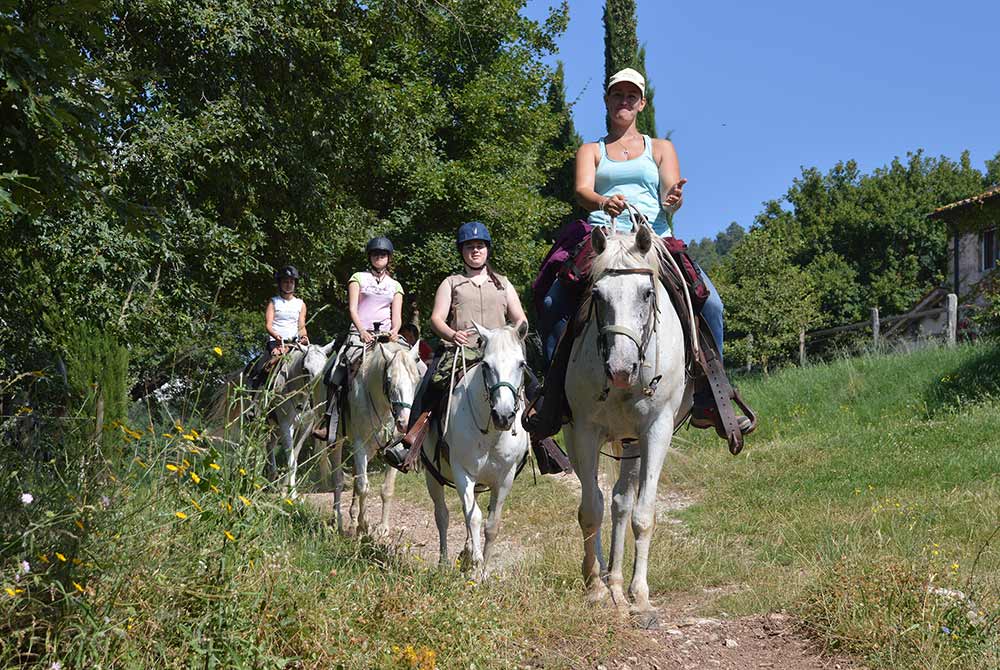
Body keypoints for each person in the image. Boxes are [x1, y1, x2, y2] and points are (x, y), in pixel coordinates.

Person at [529, 67, 750, 437]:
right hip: (604, 240)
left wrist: (673, 200)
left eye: (631, 96)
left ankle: (710, 399)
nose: (624, 102)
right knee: (553, 302)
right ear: (607, 101)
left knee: (711, 304)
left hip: (654, 240)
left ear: (642, 103)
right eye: (618, 95)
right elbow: (582, 191)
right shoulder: (591, 150)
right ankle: (555, 398)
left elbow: (670, 196)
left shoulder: (661, 148)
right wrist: (603, 200)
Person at [382, 222, 569, 474]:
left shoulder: (503, 283)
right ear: (462, 251)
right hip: (460, 351)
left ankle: (545, 445)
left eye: (480, 246)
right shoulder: (452, 283)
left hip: (497, 353)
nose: (475, 251)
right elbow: (436, 319)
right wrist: (452, 333)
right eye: (470, 247)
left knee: (533, 387)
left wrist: (512, 336)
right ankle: (410, 440)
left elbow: (520, 319)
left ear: (487, 250)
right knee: (430, 384)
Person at [312, 236, 403, 442]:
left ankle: (410, 427)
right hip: (359, 335)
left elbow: (397, 317)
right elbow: (352, 308)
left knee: (415, 368)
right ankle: (330, 423)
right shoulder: (358, 278)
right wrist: (362, 330)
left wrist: (395, 331)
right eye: (375, 254)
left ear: (389, 257)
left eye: (383, 254)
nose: (379, 257)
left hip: (386, 338)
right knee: (335, 373)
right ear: (370, 257)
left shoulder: (395, 286)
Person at [266, 265, 310, 357]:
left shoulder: (300, 304)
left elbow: (301, 326)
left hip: (294, 343)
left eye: (291, 282)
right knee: (273, 362)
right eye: (285, 282)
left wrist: (304, 337)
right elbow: (268, 325)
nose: (288, 284)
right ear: (280, 283)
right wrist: (276, 336)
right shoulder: (273, 302)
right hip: (276, 342)